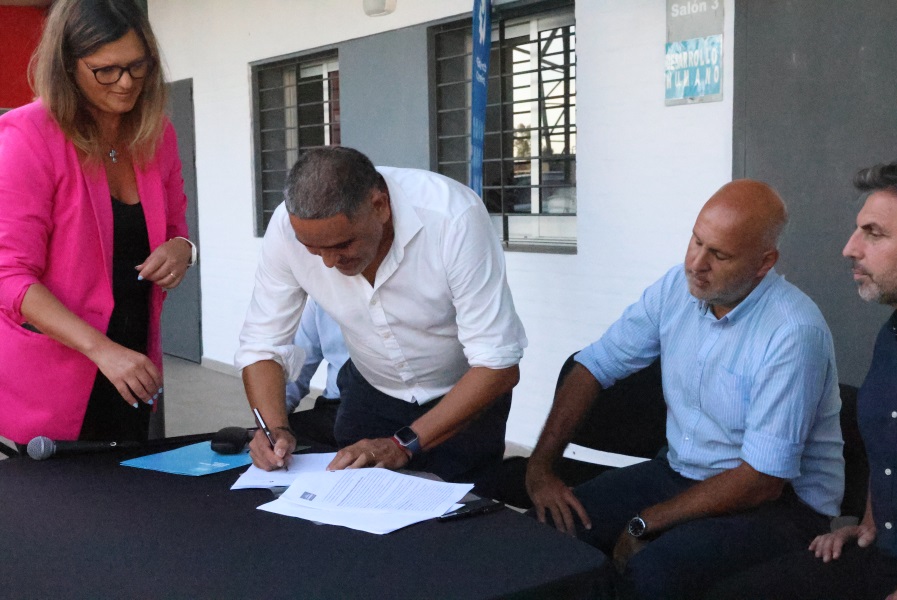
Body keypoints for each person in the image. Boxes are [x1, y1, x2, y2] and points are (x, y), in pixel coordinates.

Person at [525, 179, 845, 599]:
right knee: (540, 537)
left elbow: (762, 480)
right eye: (696, 241)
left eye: (719, 254)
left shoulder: (792, 331)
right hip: (679, 473)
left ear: (765, 263)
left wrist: (647, 521)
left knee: (653, 572)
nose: (696, 263)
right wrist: (541, 468)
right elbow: (593, 366)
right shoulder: (675, 289)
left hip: (780, 505)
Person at [235, 146, 526, 485]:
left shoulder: (453, 217)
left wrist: (403, 443)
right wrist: (274, 429)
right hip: (369, 389)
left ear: (380, 206)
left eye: (342, 245)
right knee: (353, 505)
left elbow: (498, 365)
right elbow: (262, 343)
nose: (328, 262)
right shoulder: (287, 230)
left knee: (456, 517)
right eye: (314, 250)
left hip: (463, 398)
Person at [0, 0, 195, 447]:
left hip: (135, 364)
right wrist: (102, 350)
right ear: (67, 68)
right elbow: (9, 277)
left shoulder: (155, 134)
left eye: (137, 66)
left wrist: (183, 249)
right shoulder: (28, 137)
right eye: (105, 70)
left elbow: (177, 230)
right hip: (55, 377)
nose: (126, 83)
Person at [704, 162, 897, 600]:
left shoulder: (797, 328)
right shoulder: (892, 334)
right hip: (883, 553)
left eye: (874, 233)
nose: (850, 248)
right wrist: (871, 524)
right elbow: (890, 446)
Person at [284, 297, 349, 447]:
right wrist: (273, 425)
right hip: (335, 408)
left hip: (387, 408)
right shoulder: (321, 298)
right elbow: (297, 371)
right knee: (268, 448)